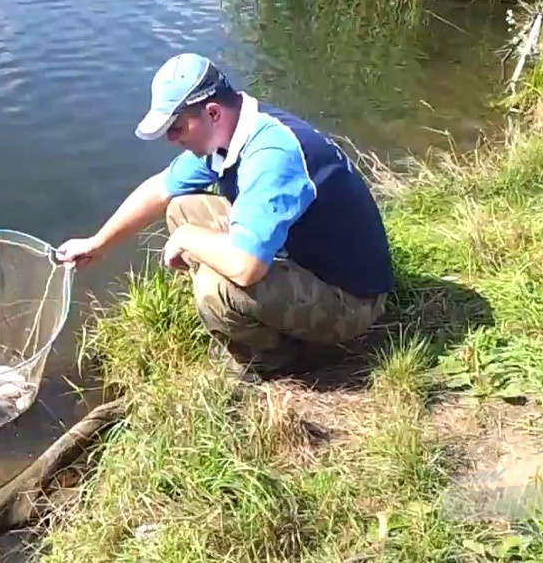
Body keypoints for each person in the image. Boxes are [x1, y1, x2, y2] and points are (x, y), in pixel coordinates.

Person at [56, 52, 393, 375]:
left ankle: (276, 359)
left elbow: (246, 269)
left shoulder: (271, 154)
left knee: (217, 287)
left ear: (213, 112)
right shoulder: (232, 132)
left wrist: (187, 238)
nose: (171, 139)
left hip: (351, 300)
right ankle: (251, 322)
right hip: (304, 256)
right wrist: (97, 245)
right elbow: (160, 190)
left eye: (176, 127)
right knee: (181, 207)